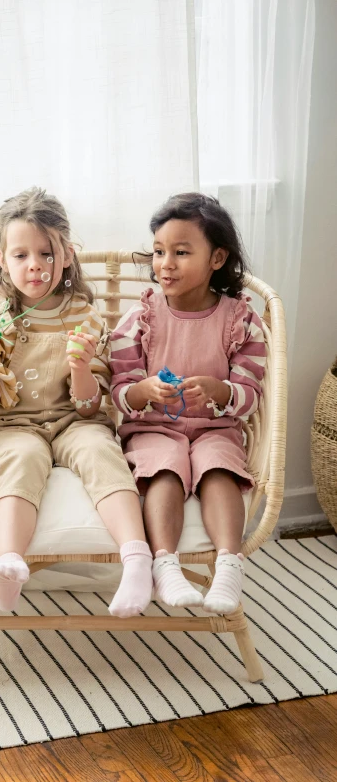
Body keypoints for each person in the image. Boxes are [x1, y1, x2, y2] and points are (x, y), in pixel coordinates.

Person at [0, 187, 153, 617]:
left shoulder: (83, 315)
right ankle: (9, 562)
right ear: (2, 259)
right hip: (11, 425)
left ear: (66, 255)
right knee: (23, 457)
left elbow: (88, 409)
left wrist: (82, 368)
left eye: (46, 253)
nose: (35, 266)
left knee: (100, 447)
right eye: (21, 255)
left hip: (72, 421)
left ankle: (137, 558)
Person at [110, 193, 265, 614]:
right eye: (159, 252)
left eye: (181, 252)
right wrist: (144, 391)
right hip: (154, 428)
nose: (166, 264)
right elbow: (119, 389)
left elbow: (250, 393)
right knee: (165, 471)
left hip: (215, 427)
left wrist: (220, 391)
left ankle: (229, 565)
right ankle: (165, 563)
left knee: (220, 469)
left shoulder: (240, 319)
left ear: (216, 258)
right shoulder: (141, 316)